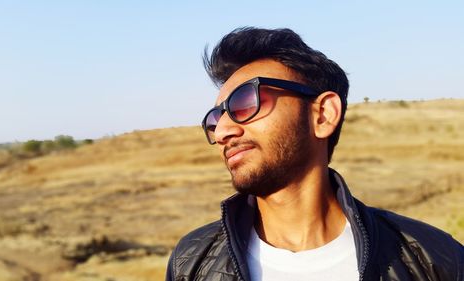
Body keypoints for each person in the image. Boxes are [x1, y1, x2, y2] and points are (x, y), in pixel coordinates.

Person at [166, 27, 463, 281]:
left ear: (322, 115)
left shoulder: (432, 258)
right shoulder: (192, 263)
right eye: (215, 119)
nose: (222, 133)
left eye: (245, 102)